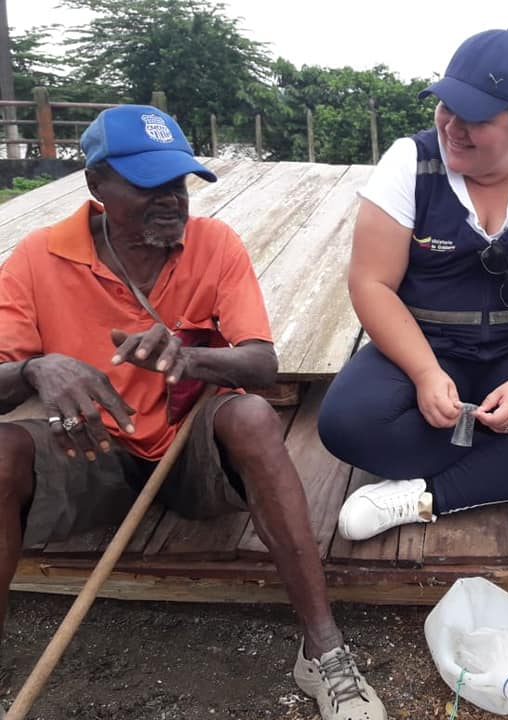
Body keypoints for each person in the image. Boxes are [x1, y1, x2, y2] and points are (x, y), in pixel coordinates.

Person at [0, 105, 386, 720]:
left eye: (177, 183)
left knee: (252, 417)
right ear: (97, 184)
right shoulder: (38, 257)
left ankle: (324, 650)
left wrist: (189, 358)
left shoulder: (214, 244)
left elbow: (261, 365)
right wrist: (35, 369)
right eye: (146, 184)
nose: (169, 200)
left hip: (186, 455)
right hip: (89, 452)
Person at [317, 28, 508, 541]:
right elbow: (372, 283)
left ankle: (424, 498)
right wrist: (424, 372)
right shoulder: (409, 163)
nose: (454, 129)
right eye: (447, 108)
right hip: (425, 343)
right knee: (346, 424)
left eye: (477, 119)